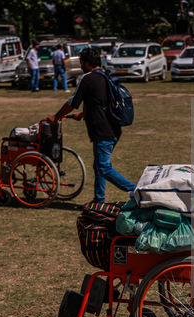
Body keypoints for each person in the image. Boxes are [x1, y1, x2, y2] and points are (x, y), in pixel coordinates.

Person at [48, 47, 136, 203]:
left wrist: (57, 116)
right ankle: (98, 200)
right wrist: (83, 114)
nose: (81, 66)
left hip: (103, 131)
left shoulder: (87, 78)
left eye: (81, 62)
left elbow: (72, 102)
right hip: (114, 129)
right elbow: (100, 101)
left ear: (87, 63)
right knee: (99, 166)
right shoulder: (104, 76)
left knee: (103, 167)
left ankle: (135, 190)